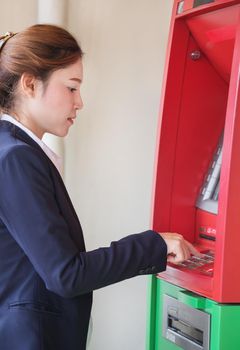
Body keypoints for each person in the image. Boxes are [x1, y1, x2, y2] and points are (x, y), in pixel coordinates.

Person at [0, 25, 199, 350]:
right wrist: (155, 244)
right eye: (71, 88)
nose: (79, 102)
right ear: (30, 83)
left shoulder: (16, 150)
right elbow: (66, 275)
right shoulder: (16, 158)